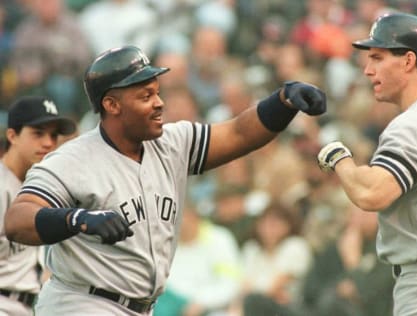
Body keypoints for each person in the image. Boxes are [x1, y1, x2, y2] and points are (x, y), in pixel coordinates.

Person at [3, 45, 326, 315]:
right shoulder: (73, 159)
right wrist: (75, 218)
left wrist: (282, 102)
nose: (159, 103)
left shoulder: (173, 142)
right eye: (145, 95)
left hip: (142, 307)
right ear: (112, 104)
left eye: (157, 92)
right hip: (81, 304)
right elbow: (18, 219)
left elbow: (240, 132)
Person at [317, 12, 417, 316]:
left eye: (377, 57)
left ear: (408, 61)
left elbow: (372, 194)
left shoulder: (414, 123)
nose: (368, 70)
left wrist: (340, 159)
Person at [0, 96, 76, 316]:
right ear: (12, 135)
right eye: (38, 133)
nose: (48, 143)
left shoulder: (42, 187)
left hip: (28, 306)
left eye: (54, 135)